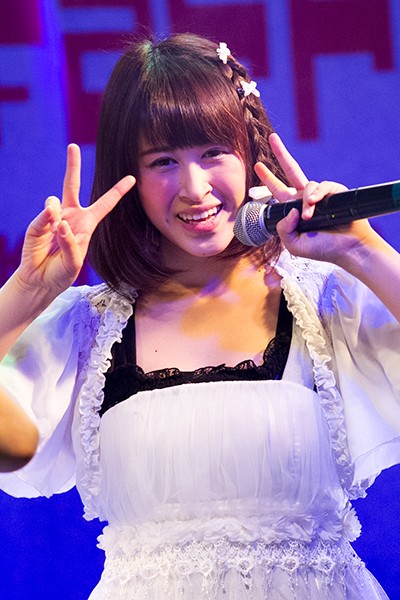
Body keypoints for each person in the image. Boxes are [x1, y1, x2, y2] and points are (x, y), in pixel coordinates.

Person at [0, 33, 400, 600]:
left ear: (250, 150)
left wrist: (364, 251)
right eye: (163, 161)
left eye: (213, 152)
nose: (194, 189)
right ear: (128, 177)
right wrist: (25, 293)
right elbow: (9, 448)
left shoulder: (325, 300)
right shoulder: (86, 327)